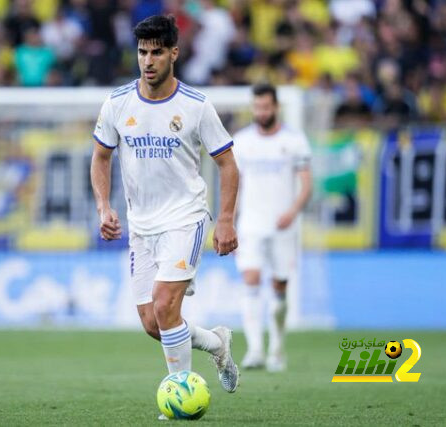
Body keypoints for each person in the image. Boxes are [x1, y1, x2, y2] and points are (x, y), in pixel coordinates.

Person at [89, 15, 240, 406]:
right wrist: (103, 206)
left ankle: (182, 396)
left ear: (174, 53)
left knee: (164, 304)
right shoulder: (118, 102)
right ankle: (216, 342)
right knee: (154, 323)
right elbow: (100, 157)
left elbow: (227, 164)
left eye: (157, 52)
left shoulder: (196, 106)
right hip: (142, 225)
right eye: (142, 52)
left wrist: (224, 220)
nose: (148, 60)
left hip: (185, 218)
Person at [233, 83, 312, 372]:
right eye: (257, 107)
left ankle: (277, 347)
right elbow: (234, 186)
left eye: (266, 107)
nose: (261, 112)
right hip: (250, 223)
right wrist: (229, 221)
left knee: (279, 287)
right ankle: (255, 350)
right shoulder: (241, 141)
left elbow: (306, 184)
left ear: (276, 107)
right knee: (250, 279)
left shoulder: (294, 140)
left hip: (282, 224)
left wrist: (292, 212)